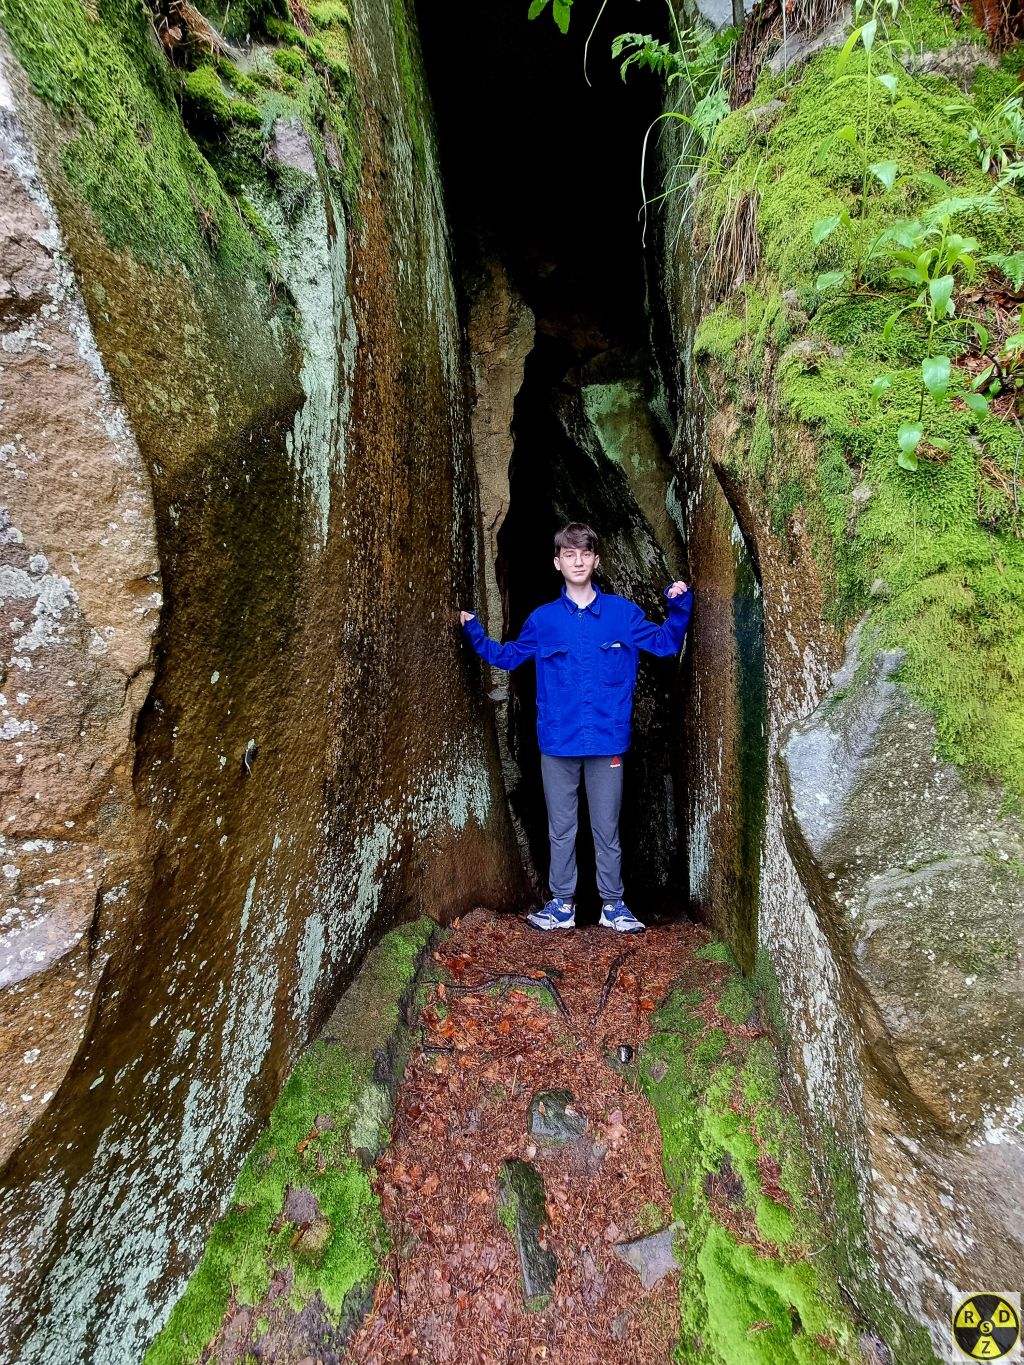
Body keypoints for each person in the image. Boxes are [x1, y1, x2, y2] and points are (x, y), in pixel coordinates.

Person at [460, 522, 692, 933]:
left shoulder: (622, 614)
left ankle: (613, 905)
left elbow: (665, 644)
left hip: (607, 741)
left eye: (585, 553)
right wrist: (473, 632)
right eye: (569, 554)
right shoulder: (544, 620)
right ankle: (562, 905)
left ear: (596, 560)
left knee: (606, 828)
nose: (578, 561)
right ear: (557, 563)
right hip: (557, 741)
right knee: (562, 829)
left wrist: (679, 607)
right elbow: (509, 656)